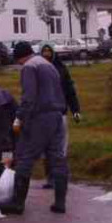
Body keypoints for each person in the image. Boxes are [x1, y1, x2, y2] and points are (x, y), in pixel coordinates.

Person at [1, 41, 70, 215]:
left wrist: (19, 118)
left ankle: (17, 203)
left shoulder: (29, 67)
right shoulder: (48, 64)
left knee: (25, 155)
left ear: (19, 57)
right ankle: (60, 203)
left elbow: (29, 97)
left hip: (40, 118)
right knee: (57, 158)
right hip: (58, 116)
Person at [40, 43, 81, 190]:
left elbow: (70, 91)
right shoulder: (38, 70)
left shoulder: (61, 70)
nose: (46, 54)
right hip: (43, 114)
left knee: (60, 147)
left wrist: (76, 110)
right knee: (46, 147)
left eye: (48, 51)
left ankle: (61, 176)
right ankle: (50, 177)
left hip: (60, 112)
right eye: (43, 51)